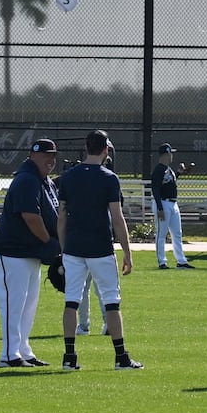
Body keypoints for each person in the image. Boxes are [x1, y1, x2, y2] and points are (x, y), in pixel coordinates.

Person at [57, 130, 141, 371]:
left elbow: (61, 217)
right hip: (100, 248)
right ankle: (120, 357)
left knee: (71, 301)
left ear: (86, 147)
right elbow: (117, 217)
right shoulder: (108, 178)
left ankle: (69, 357)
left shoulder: (69, 176)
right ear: (105, 150)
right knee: (111, 302)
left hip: (73, 248)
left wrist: (63, 249)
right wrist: (127, 251)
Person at [0, 138, 61, 368]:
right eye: (45, 155)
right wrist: (51, 244)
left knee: (28, 306)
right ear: (32, 155)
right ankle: (8, 355)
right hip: (11, 254)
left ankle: (23, 350)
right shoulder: (27, 180)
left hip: (29, 254)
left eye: (53, 155)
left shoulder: (44, 181)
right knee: (14, 305)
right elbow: (31, 217)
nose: (50, 160)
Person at [149, 143, 193, 270]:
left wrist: (179, 173)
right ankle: (162, 261)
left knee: (177, 233)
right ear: (166, 154)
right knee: (161, 234)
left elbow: (170, 184)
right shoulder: (159, 170)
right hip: (162, 202)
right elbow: (155, 189)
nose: (172, 155)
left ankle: (181, 261)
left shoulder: (168, 169)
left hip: (173, 203)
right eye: (170, 153)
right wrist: (160, 208)